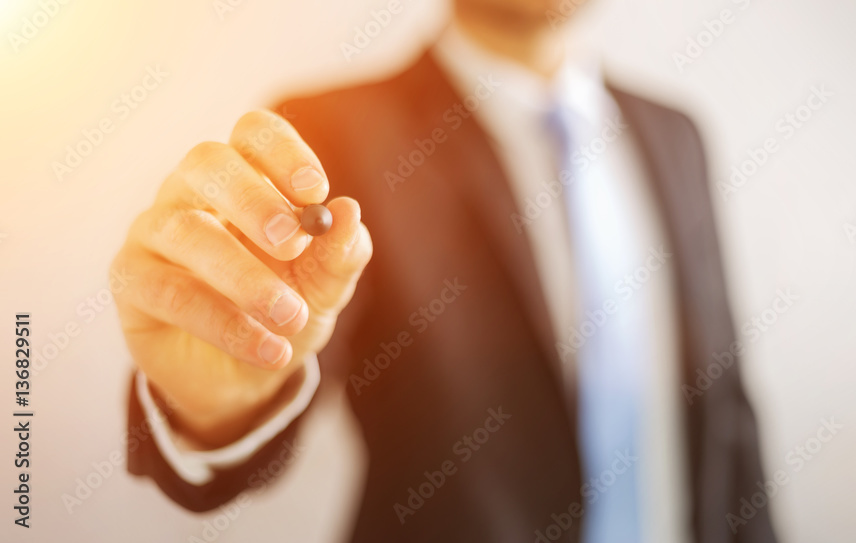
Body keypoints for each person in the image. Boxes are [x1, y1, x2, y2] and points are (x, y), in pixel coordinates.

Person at [113, 0, 778, 541]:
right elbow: (272, 353)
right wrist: (220, 399)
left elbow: (726, 405)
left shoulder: (676, 133)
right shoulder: (333, 130)